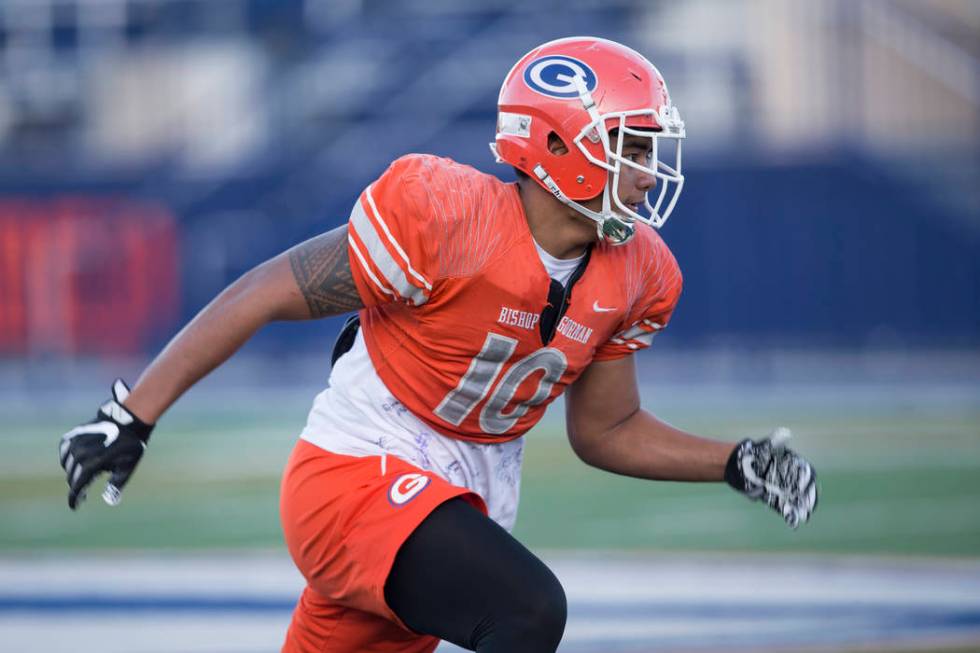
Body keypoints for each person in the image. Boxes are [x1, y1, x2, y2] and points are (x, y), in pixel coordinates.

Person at [59, 36, 817, 653]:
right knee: (528, 610)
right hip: (357, 472)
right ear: (560, 145)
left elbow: (605, 429)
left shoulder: (640, 270)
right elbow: (262, 290)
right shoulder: (443, 215)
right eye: (633, 147)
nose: (649, 174)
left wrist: (731, 461)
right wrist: (134, 414)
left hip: (463, 497)